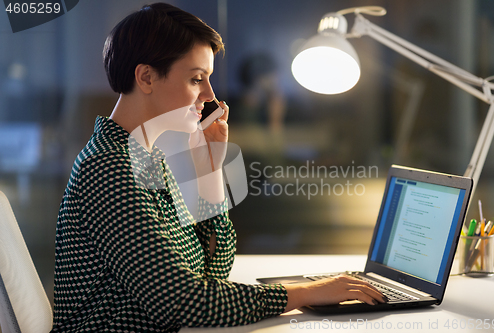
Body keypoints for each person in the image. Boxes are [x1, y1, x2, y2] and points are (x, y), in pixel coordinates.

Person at [51, 3, 385, 332]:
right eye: (197, 79)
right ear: (146, 77)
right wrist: (307, 294)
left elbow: (213, 274)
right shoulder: (109, 167)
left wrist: (209, 172)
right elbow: (182, 301)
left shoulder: (149, 159)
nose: (209, 95)